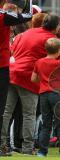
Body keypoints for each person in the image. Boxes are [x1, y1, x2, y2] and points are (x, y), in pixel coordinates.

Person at [0, 1, 32, 152]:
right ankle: (3, 146)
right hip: (3, 67)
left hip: (8, 68)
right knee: (3, 109)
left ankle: (3, 145)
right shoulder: (4, 17)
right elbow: (28, 15)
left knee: (6, 111)